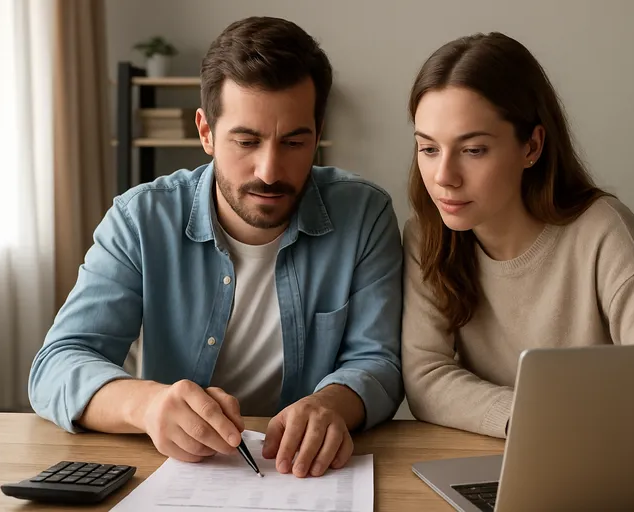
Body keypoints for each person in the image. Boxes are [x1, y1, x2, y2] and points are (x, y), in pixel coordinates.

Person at [29, 16, 404, 478]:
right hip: (178, 477)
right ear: (206, 132)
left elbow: (379, 361)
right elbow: (57, 364)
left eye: (294, 142)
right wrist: (147, 406)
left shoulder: (365, 214)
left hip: (310, 479)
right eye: (246, 141)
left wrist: (332, 404)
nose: (269, 169)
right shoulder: (140, 219)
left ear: (318, 131)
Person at [401, 32, 634, 438]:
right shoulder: (426, 235)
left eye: (473, 150)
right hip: (496, 457)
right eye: (428, 149)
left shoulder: (603, 230)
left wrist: (557, 424)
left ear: (532, 146)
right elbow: (425, 377)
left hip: (607, 452)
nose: (444, 178)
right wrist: (533, 418)